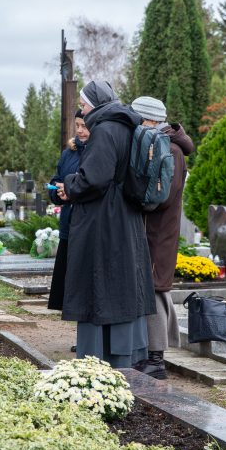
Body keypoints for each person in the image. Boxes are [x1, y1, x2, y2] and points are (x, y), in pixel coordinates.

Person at [57, 80, 156, 368]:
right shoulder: (126, 125)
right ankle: (128, 353)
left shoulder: (104, 129)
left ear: (97, 104)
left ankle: (97, 358)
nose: (83, 109)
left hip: (103, 220)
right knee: (124, 283)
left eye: (86, 103)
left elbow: (94, 178)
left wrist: (70, 185)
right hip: (126, 216)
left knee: (100, 283)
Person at [130, 96, 194, 380]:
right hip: (151, 229)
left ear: (149, 120)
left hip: (159, 232)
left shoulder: (172, 151)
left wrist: (138, 199)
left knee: (155, 288)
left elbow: (163, 196)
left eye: (137, 119)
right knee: (151, 288)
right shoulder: (161, 144)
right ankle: (149, 352)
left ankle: (157, 358)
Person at [46, 110, 89, 311]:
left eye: (84, 126)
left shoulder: (96, 152)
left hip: (86, 224)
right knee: (69, 287)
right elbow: (56, 179)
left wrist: (72, 191)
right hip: (68, 224)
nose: (80, 130)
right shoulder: (69, 153)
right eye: (77, 125)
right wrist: (58, 192)